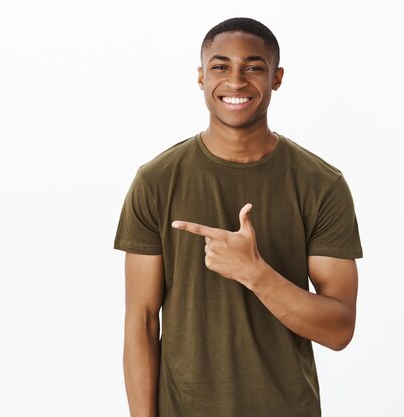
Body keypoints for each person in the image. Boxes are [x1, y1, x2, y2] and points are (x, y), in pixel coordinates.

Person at [113, 17, 363, 417]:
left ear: (276, 78)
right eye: (220, 65)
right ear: (200, 76)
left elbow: (338, 330)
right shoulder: (156, 181)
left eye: (253, 67)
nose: (235, 81)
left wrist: (254, 273)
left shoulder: (321, 185)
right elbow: (141, 321)